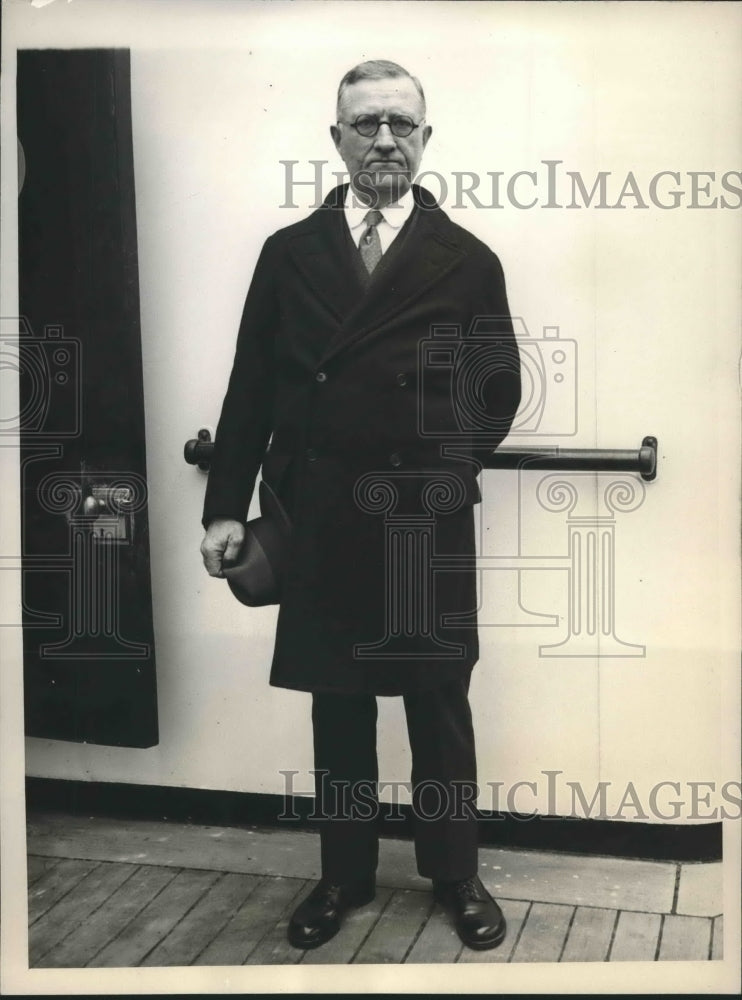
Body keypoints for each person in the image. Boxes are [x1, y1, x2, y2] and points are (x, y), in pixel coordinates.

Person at [200, 59, 521, 952]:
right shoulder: (289, 254)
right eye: (366, 123)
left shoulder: (467, 260)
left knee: (438, 702)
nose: (385, 140)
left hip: (422, 519)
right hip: (324, 517)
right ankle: (342, 875)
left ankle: (456, 873)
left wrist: (445, 475)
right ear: (336, 137)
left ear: (426, 139)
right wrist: (225, 505)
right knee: (337, 703)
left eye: (401, 125)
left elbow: (496, 393)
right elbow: (249, 391)